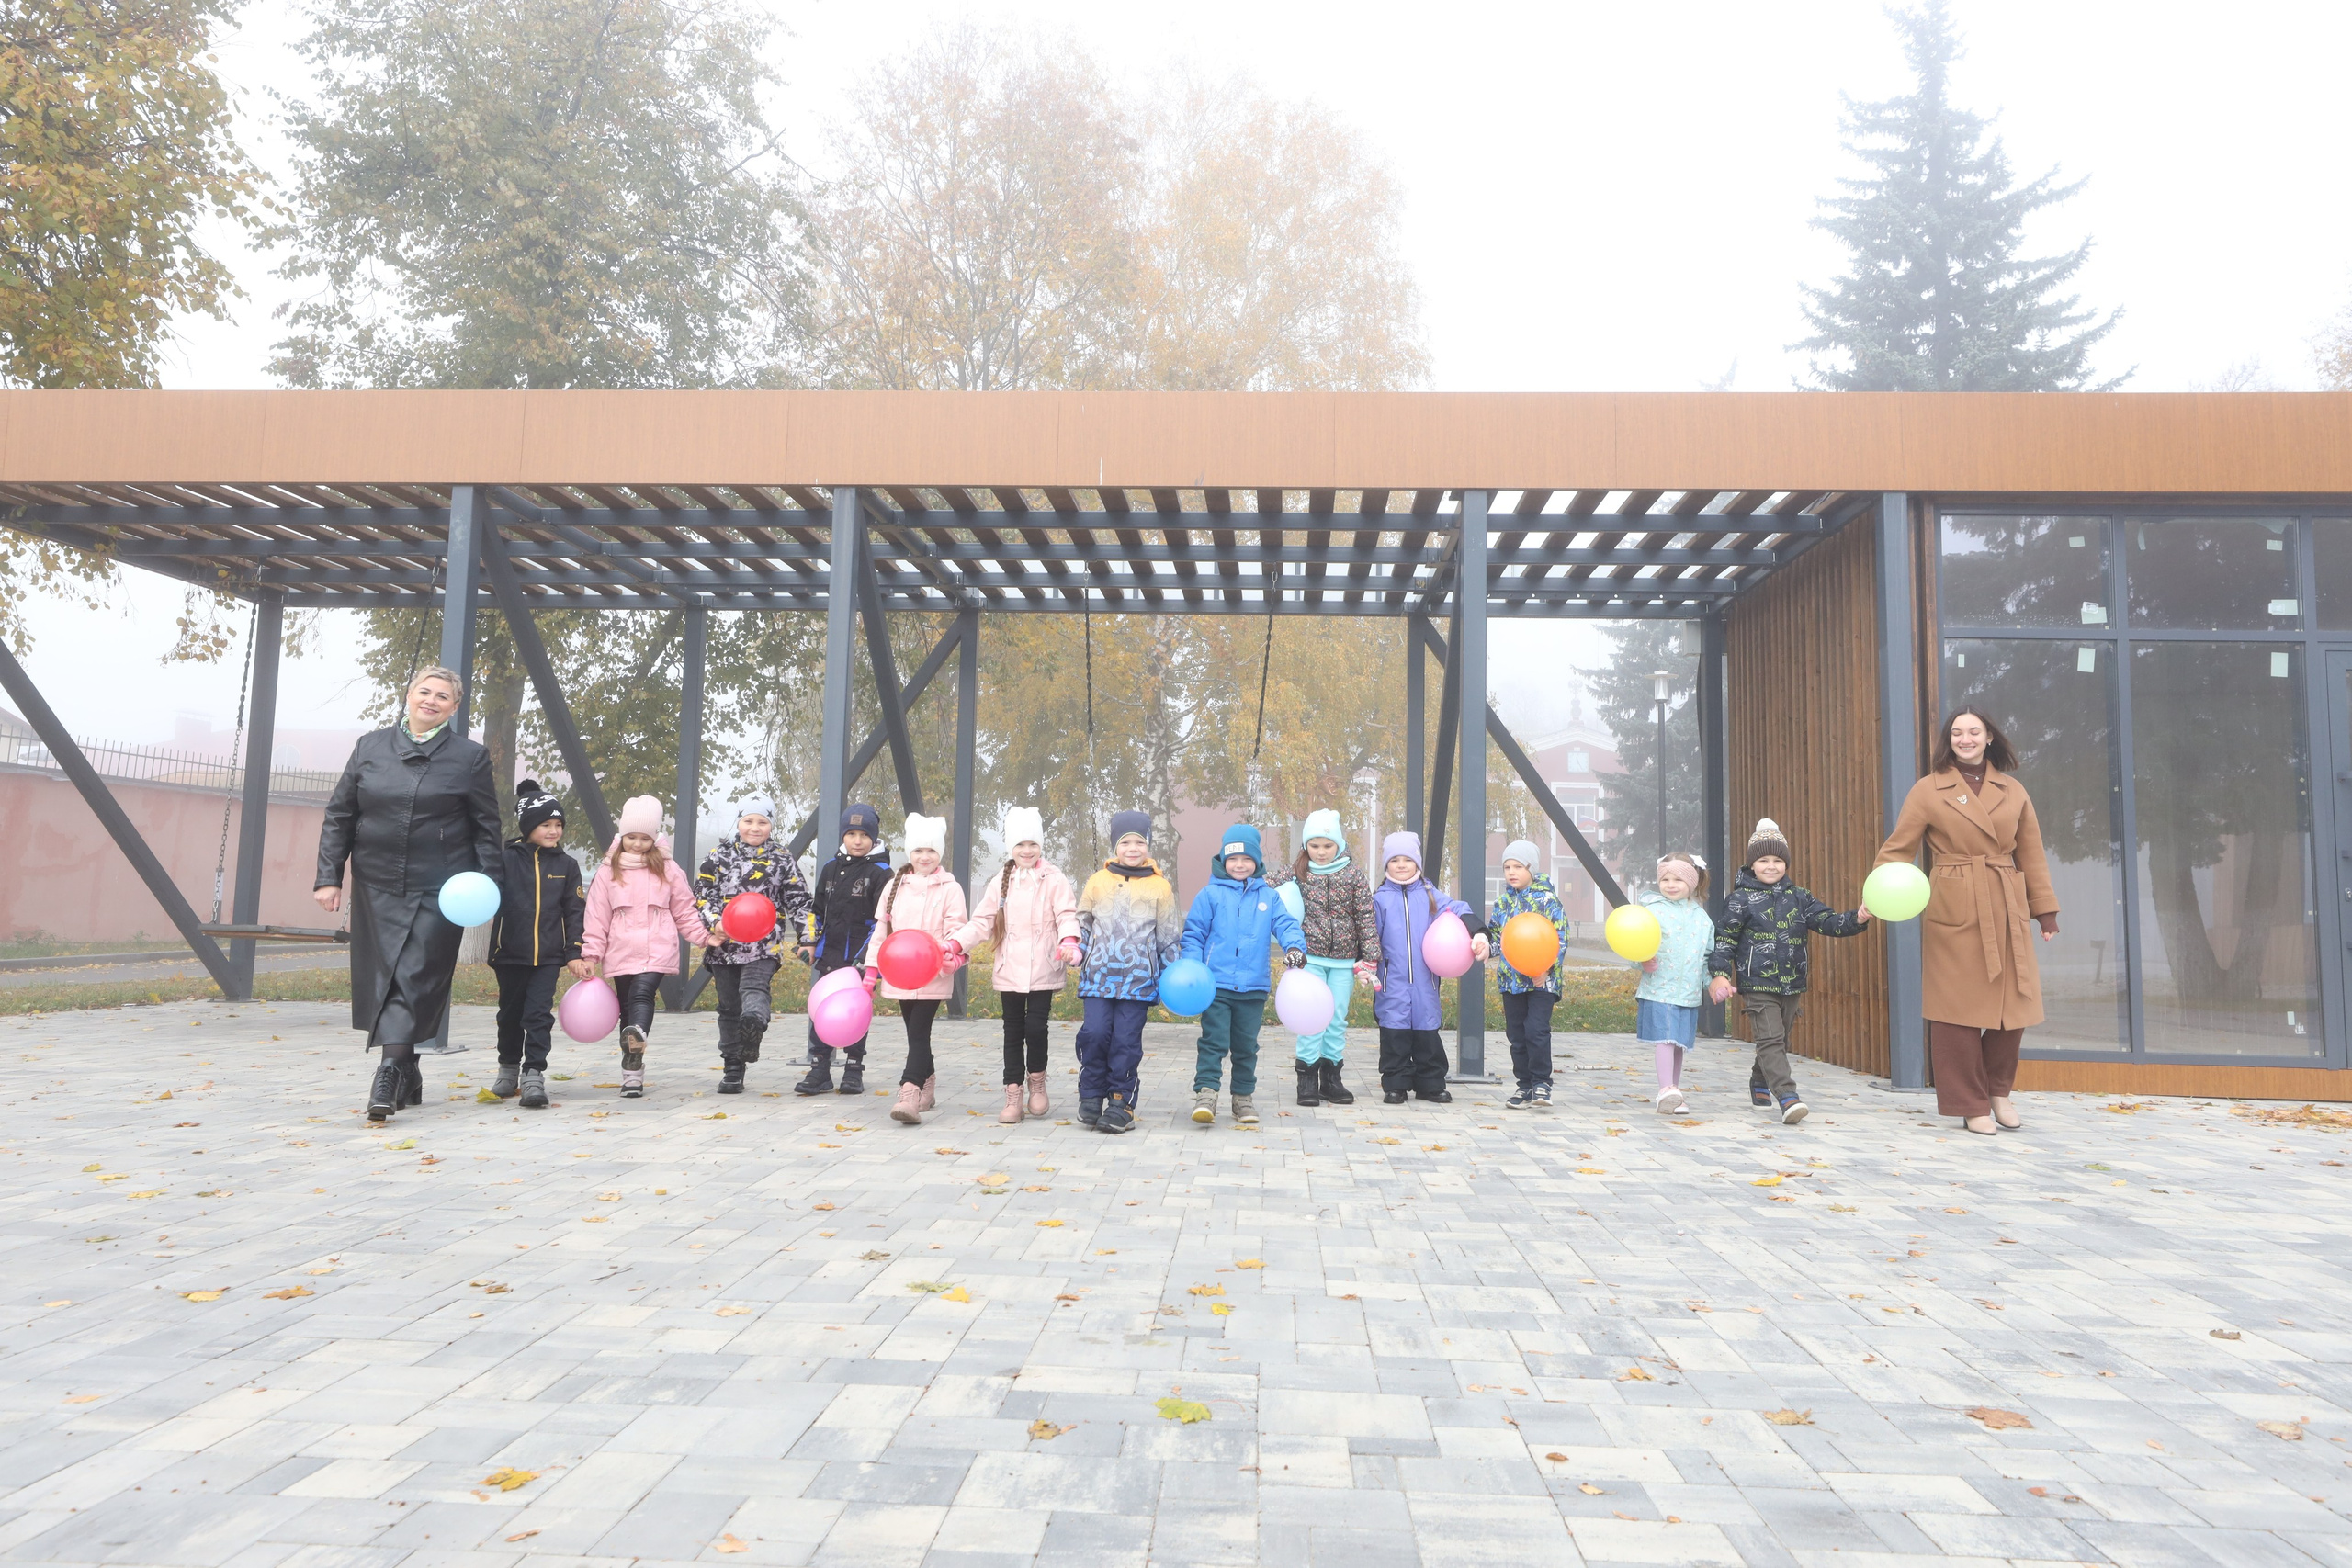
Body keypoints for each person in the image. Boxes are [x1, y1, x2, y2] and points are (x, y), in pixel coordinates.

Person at [314, 665, 503, 1122]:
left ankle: (389, 1070)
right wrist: (328, 875)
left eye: (443, 696)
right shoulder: (370, 747)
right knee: (387, 975)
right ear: (409, 694)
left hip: (441, 888)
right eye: (425, 691)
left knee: (414, 975)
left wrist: (489, 886)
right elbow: (340, 814)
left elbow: (485, 828)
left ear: (454, 707)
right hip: (376, 883)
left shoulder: (470, 758)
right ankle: (410, 1068)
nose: (432, 700)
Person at [1873, 709, 2060, 1135]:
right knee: (1955, 1011)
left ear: (1990, 736)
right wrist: (1879, 895)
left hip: (2006, 902)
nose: (1965, 738)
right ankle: (1969, 1102)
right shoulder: (1929, 790)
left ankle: (1999, 1092)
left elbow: (2030, 852)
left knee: (2012, 1006)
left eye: (1974, 731)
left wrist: (2044, 911)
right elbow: (1897, 851)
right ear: (1948, 740)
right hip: (1955, 904)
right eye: (1957, 732)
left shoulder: (2012, 790)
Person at [1705, 819, 1870, 1125]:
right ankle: (1787, 1095)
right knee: (1770, 1039)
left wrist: (1857, 918)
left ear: (1786, 863)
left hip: (1792, 982)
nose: (1771, 866)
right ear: (1752, 864)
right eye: (1763, 860)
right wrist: (1719, 973)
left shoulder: (1800, 897)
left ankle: (1758, 1080)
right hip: (1756, 982)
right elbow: (1725, 939)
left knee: (1777, 1040)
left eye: (1777, 860)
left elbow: (1828, 922)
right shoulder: (1740, 900)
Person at [944, 807, 1080, 1124]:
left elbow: (1066, 914)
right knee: (1012, 1030)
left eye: (1032, 844)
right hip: (1010, 968)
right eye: (1020, 845)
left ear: (1041, 845)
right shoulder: (1000, 883)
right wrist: (956, 943)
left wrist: (1069, 941)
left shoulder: (1054, 879)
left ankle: (1037, 1082)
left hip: (1044, 966)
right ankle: (1013, 1091)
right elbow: (981, 922)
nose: (1027, 851)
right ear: (1011, 848)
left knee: (1036, 1027)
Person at [580, 795, 714, 1099]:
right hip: (621, 949)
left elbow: (684, 909)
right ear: (621, 836)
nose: (638, 844)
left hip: (657, 947)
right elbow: (596, 917)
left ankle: (638, 1033)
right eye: (632, 837)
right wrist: (591, 955)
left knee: (643, 994)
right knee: (626, 1007)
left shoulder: (667, 868)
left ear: (654, 839)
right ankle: (632, 1074)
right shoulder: (607, 871)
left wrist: (706, 937)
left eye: (644, 838)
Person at [1180, 823, 1308, 1127]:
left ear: (1257, 862)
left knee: (1246, 1046)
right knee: (1213, 1041)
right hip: (1216, 985)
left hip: (1253, 987)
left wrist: (1295, 947)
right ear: (1223, 860)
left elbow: (1287, 925)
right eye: (1233, 859)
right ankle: (1207, 1094)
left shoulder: (1269, 896)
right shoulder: (1210, 894)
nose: (1240, 865)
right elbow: (1193, 934)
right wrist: (1193, 968)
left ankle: (1242, 1098)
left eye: (1247, 859)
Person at [1073, 809, 1183, 1134]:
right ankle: (1091, 1094)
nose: (1132, 848)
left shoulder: (1160, 887)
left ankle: (1121, 1102)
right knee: (1094, 1034)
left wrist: (1174, 972)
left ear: (1148, 844)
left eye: (1139, 842)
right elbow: (1082, 923)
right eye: (1125, 842)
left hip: (1138, 982)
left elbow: (1167, 935)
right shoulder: (1097, 881)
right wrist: (1076, 948)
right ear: (1115, 846)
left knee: (1125, 1041)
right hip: (1098, 978)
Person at [694, 798, 813, 1096]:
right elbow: (701, 896)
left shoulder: (782, 859)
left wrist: (807, 937)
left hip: (764, 944)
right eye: (749, 821)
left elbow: (799, 901)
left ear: (771, 825)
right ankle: (733, 1068)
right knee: (728, 1006)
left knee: (754, 989)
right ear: (739, 822)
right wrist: (715, 923)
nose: (755, 827)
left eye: (762, 822)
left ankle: (754, 1025)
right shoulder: (717, 856)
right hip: (725, 944)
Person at [1264, 809, 1378, 1108]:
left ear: (1338, 844)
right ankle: (1306, 1079)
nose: (1321, 852)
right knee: (1311, 1018)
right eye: (1314, 845)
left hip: (1343, 961)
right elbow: (1263, 884)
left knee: (1336, 1019)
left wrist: (1370, 957)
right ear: (1306, 847)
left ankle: (1331, 1079)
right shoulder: (1298, 872)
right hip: (1310, 958)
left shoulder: (1353, 875)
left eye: (1327, 845)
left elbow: (1365, 916)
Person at [1368, 831, 1489, 1105]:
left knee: (1427, 1034)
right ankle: (1396, 1083)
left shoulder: (1431, 895)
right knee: (1394, 1034)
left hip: (1425, 982)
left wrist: (1479, 932)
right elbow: (1367, 935)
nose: (1401, 865)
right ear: (1386, 865)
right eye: (1394, 860)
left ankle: (1431, 1083)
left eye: (1407, 859)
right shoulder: (1379, 900)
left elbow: (1459, 909)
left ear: (1418, 864)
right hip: (1391, 981)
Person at [486, 779, 585, 1111]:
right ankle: (508, 1068)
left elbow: (574, 912)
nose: (554, 830)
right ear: (528, 826)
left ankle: (533, 1074)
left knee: (539, 1016)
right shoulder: (505, 859)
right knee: (510, 1015)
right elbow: (486, 897)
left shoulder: (567, 866)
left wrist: (574, 951)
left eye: (558, 824)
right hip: (509, 954)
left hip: (547, 957)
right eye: (546, 824)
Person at [865, 814, 968, 1125]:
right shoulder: (894, 886)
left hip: (934, 972)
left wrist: (952, 955)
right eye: (919, 851)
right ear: (909, 853)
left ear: (941, 853)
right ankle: (928, 1081)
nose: (925, 857)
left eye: (932, 851)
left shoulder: (951, 888)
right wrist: (872, 970)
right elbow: (880, 933)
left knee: (920, 1031)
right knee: (914, 1033)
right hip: (899, 974)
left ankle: (908, 1092)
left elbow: (957, 930)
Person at [796, 804, 893, 1096]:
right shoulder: (830, 869)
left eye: (864, 834)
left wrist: (867, 960)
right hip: (830, 956)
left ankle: (853, 1069)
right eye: (851, 833)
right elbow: (816, 911)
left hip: (859, 961)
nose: (857, 840)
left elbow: (884, 922)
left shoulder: (882, 873)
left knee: (854, 1013)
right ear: (843, 836)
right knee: (821, 1011)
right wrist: (808, 941)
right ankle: (819, 1069)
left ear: (873, 837)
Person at [1491, 840, 1570, 1111]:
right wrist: (1482, 945)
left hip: (1542, 982)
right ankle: (1524, 1085)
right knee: (1516, 1034)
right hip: (1511, 981)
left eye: (1518, 866)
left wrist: (1546, 968)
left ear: (1532, 869)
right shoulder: (1502, 903)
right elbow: (1497, 938)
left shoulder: (1548, 901)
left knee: (1536, 1030)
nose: (1511, 872)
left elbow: (1560, 938)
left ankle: (1541, 1083)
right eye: (1507, 867)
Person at [1636, 852, 1715, 1115]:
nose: (1670, 884)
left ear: (1692, 882)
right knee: (1666, 1039)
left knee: (1679, 1044)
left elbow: (1706, 957)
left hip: (1688, 993)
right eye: (1665, 879)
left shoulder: (1702, 919)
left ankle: (1674, 1093)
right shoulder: (1652, 911)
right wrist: (1641, 962)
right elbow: (1634, 944)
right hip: (1659, 989)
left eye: (1678, 879)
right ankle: (1665, 1089)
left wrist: (1712, 982)